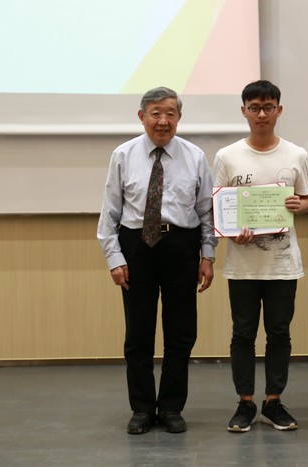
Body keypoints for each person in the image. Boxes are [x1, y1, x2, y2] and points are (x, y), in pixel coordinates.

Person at [97, 86, 218, 434]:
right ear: (142, 116)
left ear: (179, 117)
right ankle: (141, 408)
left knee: (181, 333)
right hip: (136, 247)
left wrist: (208, 254)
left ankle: (171, 407)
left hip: (181, 245)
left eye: (170, 113)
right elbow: (110, 211)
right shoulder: (123, 155)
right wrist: (114, 257)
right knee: (138, 334)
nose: (163, 121)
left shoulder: (194, 156)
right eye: (155, 113)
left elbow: (207, 211)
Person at [212, 80, 308, 433]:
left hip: (283, 265)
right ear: (244, 111)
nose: (261, 114)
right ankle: (245, 402)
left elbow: (306, 199)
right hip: (242, 265)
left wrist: (299, 205)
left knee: (279, 333)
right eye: (254, 108)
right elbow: (219, 208)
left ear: (279, 110)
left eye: (268, 107)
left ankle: (273, 401)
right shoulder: (227, 156)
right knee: (242, 334)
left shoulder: (296, 154)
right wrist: (230, 231)